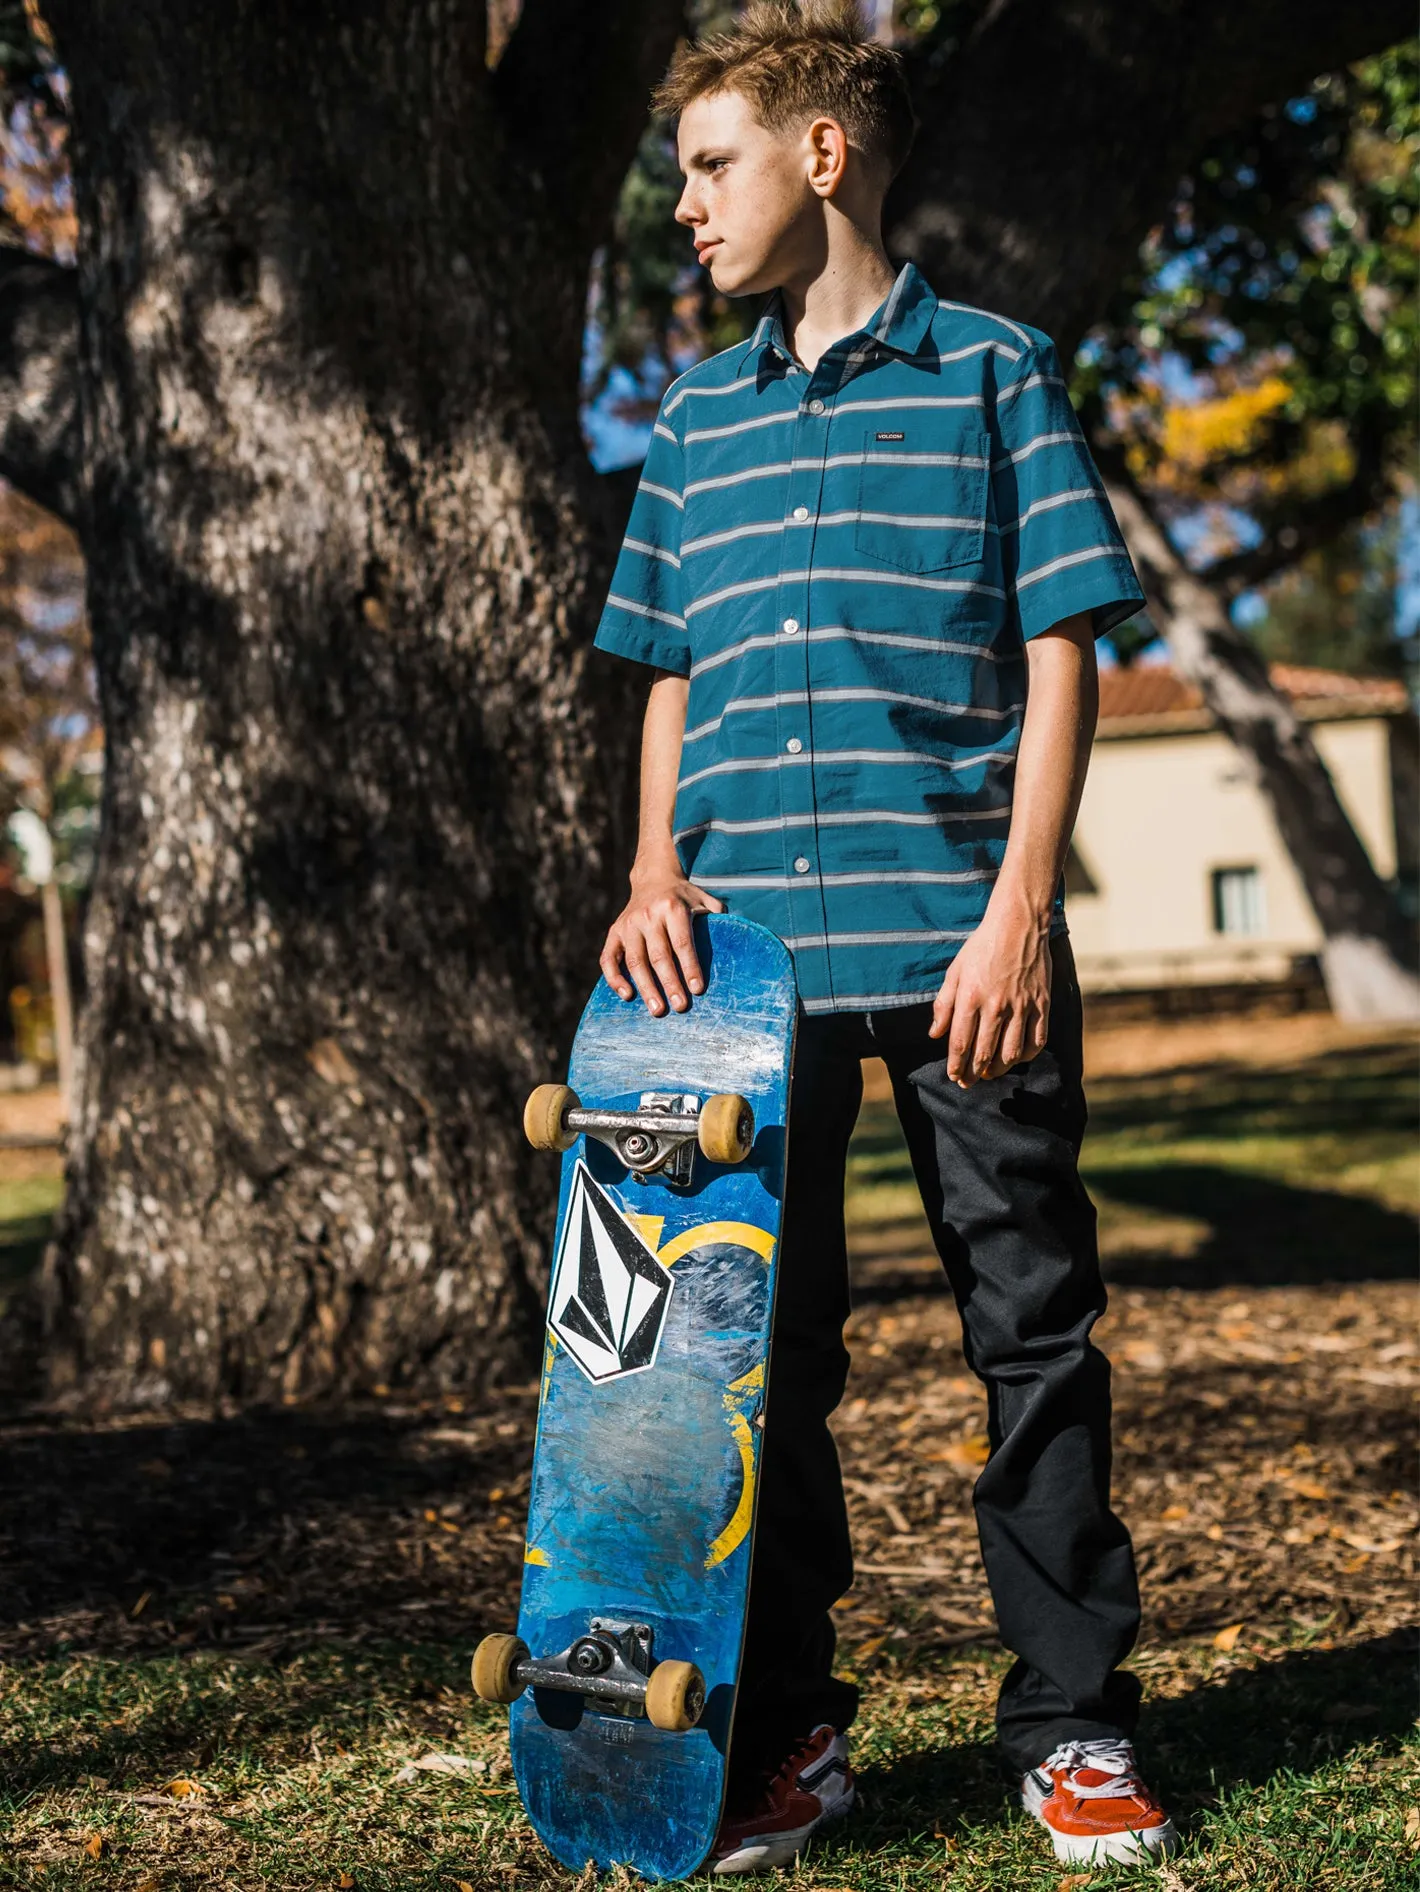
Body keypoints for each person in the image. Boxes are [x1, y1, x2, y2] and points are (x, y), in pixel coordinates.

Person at [592, 1, 1177, 1875]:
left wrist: (1022, 913)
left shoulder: (997, 374)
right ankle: (789, 1734)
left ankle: (1075, 1727)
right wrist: (650, 875)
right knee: (755, 1366)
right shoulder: (694, 421)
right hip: (741, 989)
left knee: (1033, 1337)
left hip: (962, 957)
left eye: (713, 164)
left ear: (821, 155)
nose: (687, 204)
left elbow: (1064, 648)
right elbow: (669, 673)